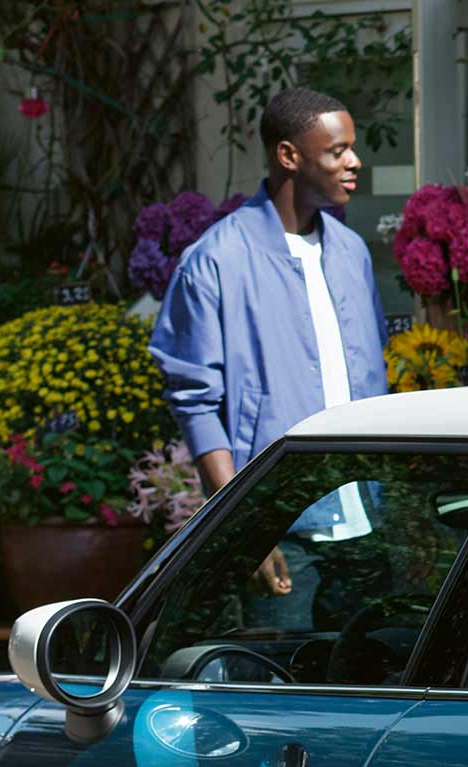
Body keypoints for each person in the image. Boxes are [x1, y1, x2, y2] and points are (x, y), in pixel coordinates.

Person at [149, 87, 387, 629]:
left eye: (353, 148)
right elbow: (196, 404)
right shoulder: (214, 261)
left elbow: (373, 384)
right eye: (337, 151)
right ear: (289, 156)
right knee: (279, 703)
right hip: (280, 531)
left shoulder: (352, 252)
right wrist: (243, 529)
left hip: (366, 524)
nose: (354, 162)